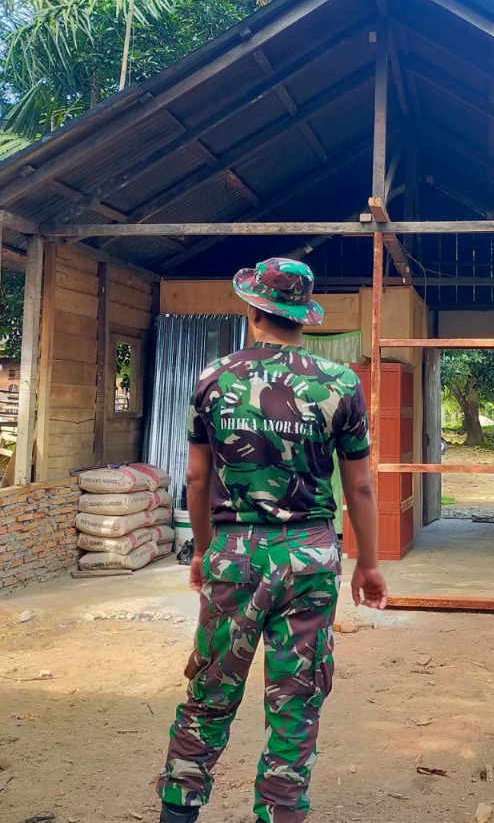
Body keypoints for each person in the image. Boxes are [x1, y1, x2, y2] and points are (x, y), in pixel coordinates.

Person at [159, 257, 389, 823]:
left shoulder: (214, 377)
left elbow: (195, 476)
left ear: (254, 309)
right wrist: (369, 565)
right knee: (297, 700)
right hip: (310, 556)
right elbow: (359, 484)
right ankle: (280, 812)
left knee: (211, 691)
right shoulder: (339, 384)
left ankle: (178, 810)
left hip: (234, 555)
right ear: (303, 318)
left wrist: (206, 549)